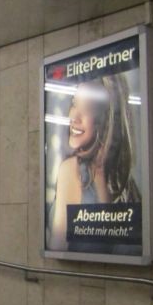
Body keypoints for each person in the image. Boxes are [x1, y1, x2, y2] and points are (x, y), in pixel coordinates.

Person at [48, 75, 140, 251]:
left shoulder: (72, 170)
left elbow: (57, 248)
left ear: (106, 119)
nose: (73, 116)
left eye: (87, 108)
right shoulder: (128, 185)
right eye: (74, 104)